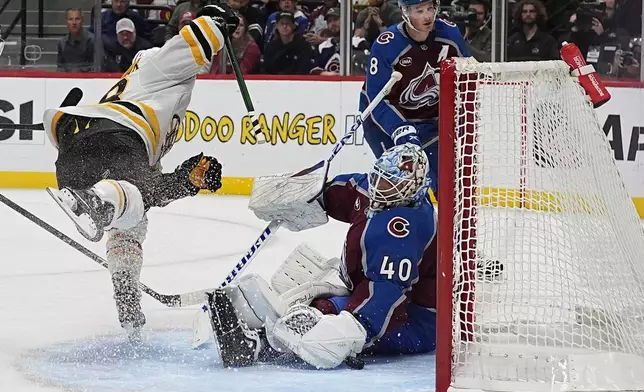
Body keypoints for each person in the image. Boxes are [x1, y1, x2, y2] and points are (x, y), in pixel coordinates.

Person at [42, 4, 241, 340]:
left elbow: (147, 192)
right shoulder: (154, 68)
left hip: (75, 156)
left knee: (132, 217)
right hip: (115, 138)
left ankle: (127, 297)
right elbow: (191, 42)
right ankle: (98, 200)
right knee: (126, 202)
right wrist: (218, 23)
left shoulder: (156, 107)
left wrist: (184, 182)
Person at [201, 142, 437, 369]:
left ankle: (258, 347)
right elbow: (346, 192)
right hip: (368, 286)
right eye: (379, 176)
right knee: (302, 281)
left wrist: (352, 326)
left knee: (319, 323)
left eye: (389, 183)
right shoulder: (377, 192)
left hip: (413, 321)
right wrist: (309, 193)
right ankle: (275, 331)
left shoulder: (403, 229)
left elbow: (386, 294)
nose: (378, 186)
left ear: (411, 188)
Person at [359, 0, 471, 192]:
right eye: (419, 11)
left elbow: (468, 77)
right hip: (384, 124)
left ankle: (443, 222)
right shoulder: (387, 45)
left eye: (430, 9)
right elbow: (377, 98)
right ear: (404, 12)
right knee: (404, 187)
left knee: (447, 185)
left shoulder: (450, 34)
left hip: (431, 120)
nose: (427, 16)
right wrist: (400, 129)